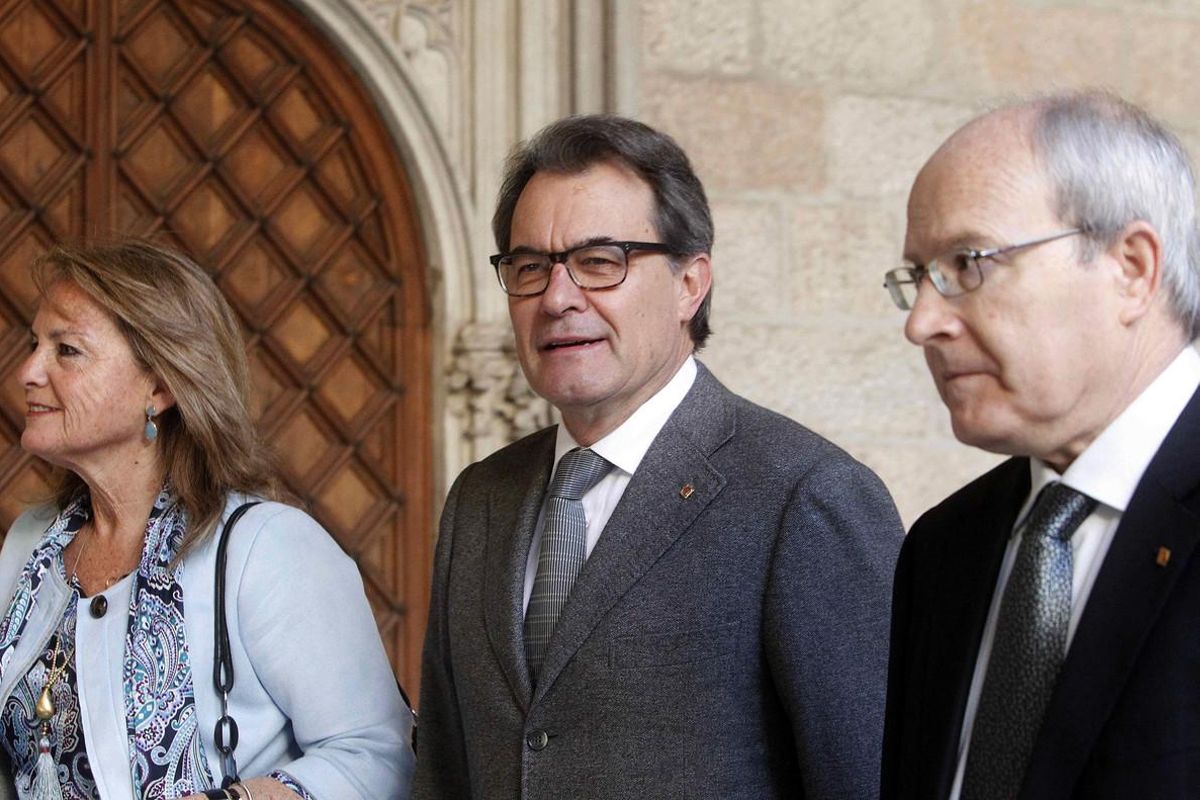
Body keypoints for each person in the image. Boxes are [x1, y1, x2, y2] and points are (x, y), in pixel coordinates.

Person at [413, 114, 903, 799]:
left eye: (600, 261)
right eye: (530, 268)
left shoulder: (804, 497)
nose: (557, 299)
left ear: (689, 284)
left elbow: (867, 778)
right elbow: (443, 764)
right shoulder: (480, 498)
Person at [0, 241, 413, 800]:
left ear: (160, 387)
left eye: (66, 350)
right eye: (34, 345)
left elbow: (378, 756)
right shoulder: (31, 544)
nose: (28, 371)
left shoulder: (268, 549)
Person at [881, 90, 1200, 800]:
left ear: (1132, 268)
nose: (923, 322)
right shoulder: (942, 549)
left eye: (969, 263)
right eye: (919, 277)